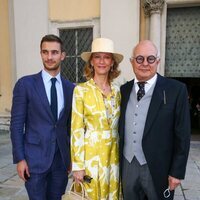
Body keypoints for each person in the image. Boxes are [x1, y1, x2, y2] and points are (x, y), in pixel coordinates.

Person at [119, 40, 191, 200]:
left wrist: (177, 172)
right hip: (128, 165)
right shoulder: (123, 90)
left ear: (157, 61)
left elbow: (183, 135)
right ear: (132, 62)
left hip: (159, 168)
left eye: (150, 59)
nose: (145, 63)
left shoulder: (176, 90)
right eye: (139, 59)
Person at [10, 34, 75, 200]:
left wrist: (71, 158)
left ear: (62, 55)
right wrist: (20, 159)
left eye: (54, 52)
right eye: (45, 52)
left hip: (60, 162)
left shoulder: (70, 88)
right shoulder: (25, 84)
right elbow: (17, 124)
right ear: (41, 54)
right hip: (34, 161)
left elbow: (69, 126)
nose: (49, 57)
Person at [71, 37, 123, 200]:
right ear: (91, 62)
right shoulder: (81, 91)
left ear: (112, 63)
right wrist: (78, 166)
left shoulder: (118, 90)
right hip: (90, 158)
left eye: (107, 57)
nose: (102, 61)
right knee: (91, 195)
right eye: (97, 57)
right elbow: (76, 129)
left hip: (113, 156)